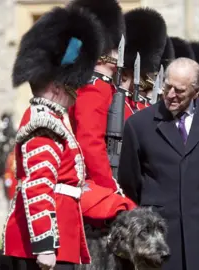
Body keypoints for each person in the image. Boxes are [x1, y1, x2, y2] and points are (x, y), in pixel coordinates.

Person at [2, 5, 132, 269]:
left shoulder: (55, 118)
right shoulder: (44, 123)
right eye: (72, 82)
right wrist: (44, 245)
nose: (77, 89)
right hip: (45, 245)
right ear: (57, 85)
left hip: (62, 240)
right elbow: (38, 187)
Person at [118, 57, 199, 270]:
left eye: (180, 90)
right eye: (168, 87)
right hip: (159, 231)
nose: (171, 95)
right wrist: (156, 202)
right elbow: (129, 178)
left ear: (196, 90)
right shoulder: (139, 124)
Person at [67, 0, 128, 192]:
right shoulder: (95, 87)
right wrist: (110, 186)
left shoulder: (98, 84)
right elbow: (90, 142)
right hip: (91, 184)